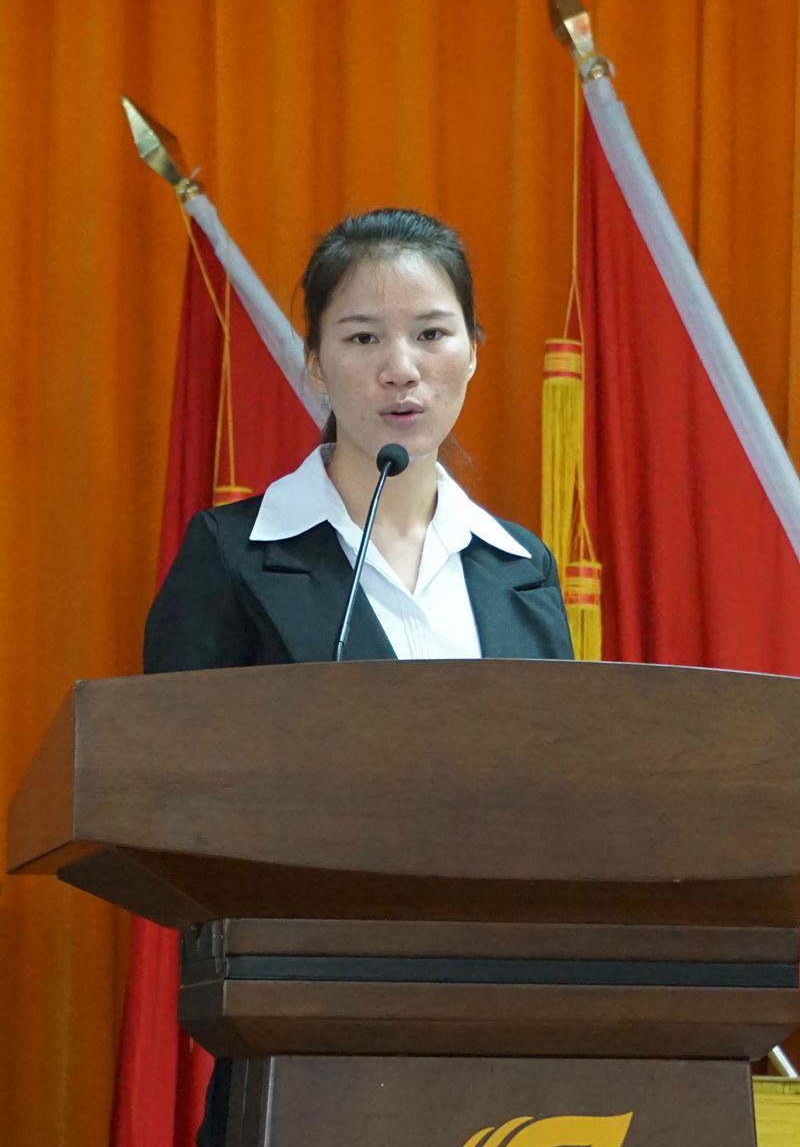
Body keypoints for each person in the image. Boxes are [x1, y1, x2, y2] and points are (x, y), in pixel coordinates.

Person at [143, 207, 574, 1144]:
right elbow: (170, 796)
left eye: (432, 334)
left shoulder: (521, 567)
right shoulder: (234, 554)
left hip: (510, 1012)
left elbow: (563, 791)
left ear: (474, 352)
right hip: (305, 1011)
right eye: (363, 337)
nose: (401, 369)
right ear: (314, 364)